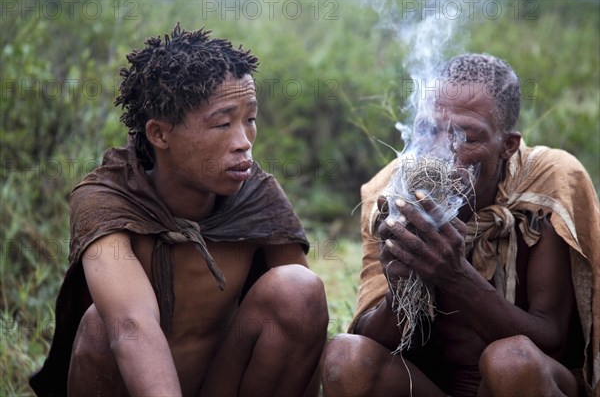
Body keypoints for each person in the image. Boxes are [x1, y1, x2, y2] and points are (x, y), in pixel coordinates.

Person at [29, 24, 328, 397]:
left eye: (249, 119)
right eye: (222, 123)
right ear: (160, 134)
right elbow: (130, 325)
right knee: (101, 325)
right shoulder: (107, 197)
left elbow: (303, 329)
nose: (243, 144)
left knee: (299, 289)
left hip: (221, 385)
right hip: (127, 385)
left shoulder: (256, 195)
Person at [321, 53, 599, 396]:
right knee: (344, 356)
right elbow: (369, 343)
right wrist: (401, 286)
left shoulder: (544, 186)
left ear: (507, 146)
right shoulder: (393, 192)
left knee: (510, 361)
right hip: (430, 387)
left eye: (467, 137)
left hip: (522, 383)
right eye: (428, 131)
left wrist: (455, 275)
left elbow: (552, 342)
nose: (442, 152)